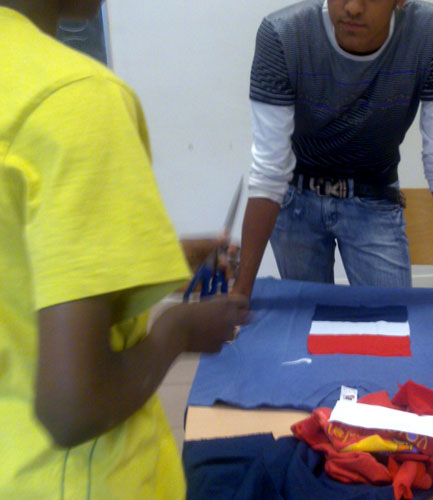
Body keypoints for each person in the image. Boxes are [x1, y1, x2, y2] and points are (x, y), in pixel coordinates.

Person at [0, 2, 248, 498]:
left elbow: (19, 267)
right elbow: (75, 407)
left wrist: (143, 259)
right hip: (70, 479)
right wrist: (178, 331)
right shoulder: (75, 98)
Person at [233, 0, 433, 316]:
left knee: (392, 325)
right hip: (296, 199)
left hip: (374, 196)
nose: (353, 8)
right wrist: (240, 293)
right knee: (304, 327)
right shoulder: (283, 34)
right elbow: (270, 170)